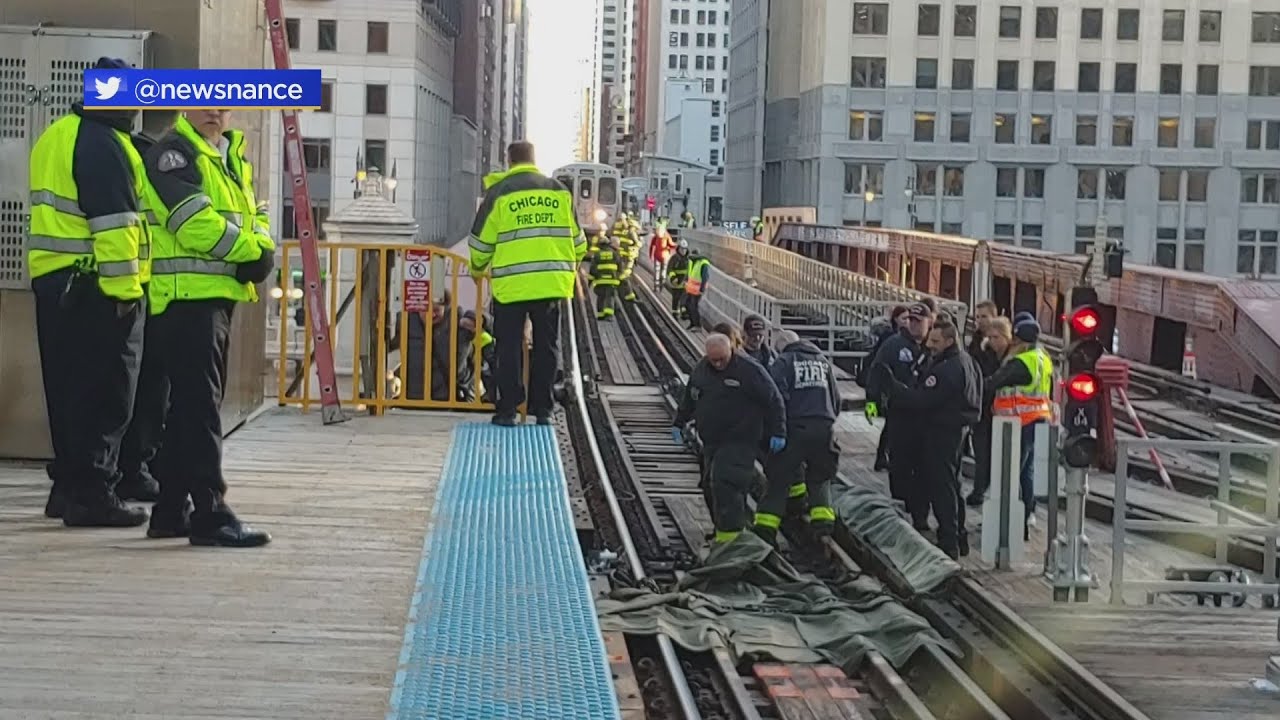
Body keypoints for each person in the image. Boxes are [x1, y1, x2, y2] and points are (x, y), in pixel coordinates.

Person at [140, 108, 275, 546]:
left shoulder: (228, 157)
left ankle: (171, 509)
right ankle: (210, 513)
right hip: (185, 299)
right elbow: (191, 222)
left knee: (190, 407)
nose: (215, 110)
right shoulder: (175, 154)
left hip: (213, 296)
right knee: (198, 407)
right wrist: (248, 252)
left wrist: (260, 247)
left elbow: (255, 216)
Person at [27, 57, 152, 527]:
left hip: (56, 283)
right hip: (99, 287)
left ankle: (68, 487)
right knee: (108, 394)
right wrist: (125, 293)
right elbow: (115, 225)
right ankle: (94, 495)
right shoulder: (105, 144)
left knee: (68, 392)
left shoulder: (57, 134)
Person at [468, 140, 587, 426]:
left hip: (511, 286)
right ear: (534, 160)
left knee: (508, 346)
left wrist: (477, 269)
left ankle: (508, 409)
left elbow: (480, 243)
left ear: (510, 161)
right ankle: (543, 409)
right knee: (547, 347)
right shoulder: (559, 192)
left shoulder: (498, 193)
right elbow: (579, 242)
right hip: (550, 283)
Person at [672, 333, 786, 545]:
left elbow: (774, 400)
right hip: (712, 439)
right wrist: (679, 422)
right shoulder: (702, 370)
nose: (717, 364)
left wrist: (779, 431)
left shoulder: (749, 370)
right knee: (708, 484)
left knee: (726, 480)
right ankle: (721, 526)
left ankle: (732, 538)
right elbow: (691, 397)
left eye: (721, 359)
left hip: (741, 437)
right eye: (713, 360)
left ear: (730, 351)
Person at [885, 321, 981, 559]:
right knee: (953, 484)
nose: (930, 346)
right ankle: (958, 535)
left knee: (942, 486)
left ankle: (949, 540)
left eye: (936, 342)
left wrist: (895, 389)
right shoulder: (967, 362)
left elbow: (923, 400)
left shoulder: (946, 369)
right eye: (930, 341)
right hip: (958, 430)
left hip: (942, 432)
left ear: (950, 341)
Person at [753, 330, 842, 547]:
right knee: (820, 478)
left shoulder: (783, 362)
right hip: (824, 427)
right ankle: (822, 529)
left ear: (780, 346)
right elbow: (836, 398)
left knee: (778, 480)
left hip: (794, 428)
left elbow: (774, 398)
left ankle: (765, 532)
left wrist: (773, 430)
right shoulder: (823, 362)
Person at [985, 316, 1054, 540]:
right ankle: (1027, 515)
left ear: (1019, 340)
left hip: (1021, 423)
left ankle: (1014, 527)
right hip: (1039, 420)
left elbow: (993, 382)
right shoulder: (1043, 357)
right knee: (1027, 472)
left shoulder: (1021, 362)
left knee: (1011, 473)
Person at [865, 302, 930, 528]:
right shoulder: (894, 345)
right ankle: (900, 508)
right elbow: (877, 372)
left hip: (925, 418)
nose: (913, 325)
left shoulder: (932, 347)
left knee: (923, 468)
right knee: (900, 465)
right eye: (910, 320)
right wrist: (872, 402)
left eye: (918, 322)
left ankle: (920, 515)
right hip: (900, 414)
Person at [859, 304, 908, 471]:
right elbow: (878, 368)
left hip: (893, 390)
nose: (907, 322)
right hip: (886, 389)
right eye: (904, 318)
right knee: (891, 424)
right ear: (896, 320)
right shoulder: (890, 340)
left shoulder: (902, 340)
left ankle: (883, 456)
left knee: (891, 424)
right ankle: (883, 456)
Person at [965, 300, 1004, 506]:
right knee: (981, 449)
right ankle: (980, 489)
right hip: (979, 403)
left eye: (984, 316)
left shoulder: (995, 344)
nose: (979, 321)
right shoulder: (976, 340)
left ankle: (982, 490)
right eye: (977, 316)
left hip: (994, 405)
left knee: (989, 451)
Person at [589, 235, 622, 319]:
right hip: (612, 280)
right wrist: (619, 278)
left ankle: (600, 315)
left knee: (601, 297)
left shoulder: (597, 255)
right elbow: (620, 266)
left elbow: (592, 269)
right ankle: (609, 315)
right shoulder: (614, 253)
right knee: (609, 298)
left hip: (600, 281)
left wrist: (590, 282)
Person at [683, 250, 711, 329]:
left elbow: (705, 277)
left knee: (693, 306)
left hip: (697, 289)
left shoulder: (703, 263)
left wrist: (701, 290)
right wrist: (685, 280)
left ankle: (697, 325)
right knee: (688, 305)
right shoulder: (692, 262)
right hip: (691, 288)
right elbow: (689, 273)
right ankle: (693, 323)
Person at [666, 240, 691, 319]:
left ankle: (683, 313)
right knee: (676, 298)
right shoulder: (674, 258)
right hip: (676, 283)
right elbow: (669, 269)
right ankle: (675, 313)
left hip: (685, 283)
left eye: (685, 249)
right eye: (682, 249)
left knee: (684, 299)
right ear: (678, 249)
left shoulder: (688, 259)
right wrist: (673, 278)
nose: (683, 251)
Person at [648, 222, 675, 288]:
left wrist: (650, 255)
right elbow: (671, 245)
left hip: (657, 255)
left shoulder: (656, 236)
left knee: (657, 270)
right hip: (665, 256)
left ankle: (656, 286)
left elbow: (651, 246)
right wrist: (676, 246)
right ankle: (662, 284)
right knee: (664, 270)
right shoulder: (667, 235)